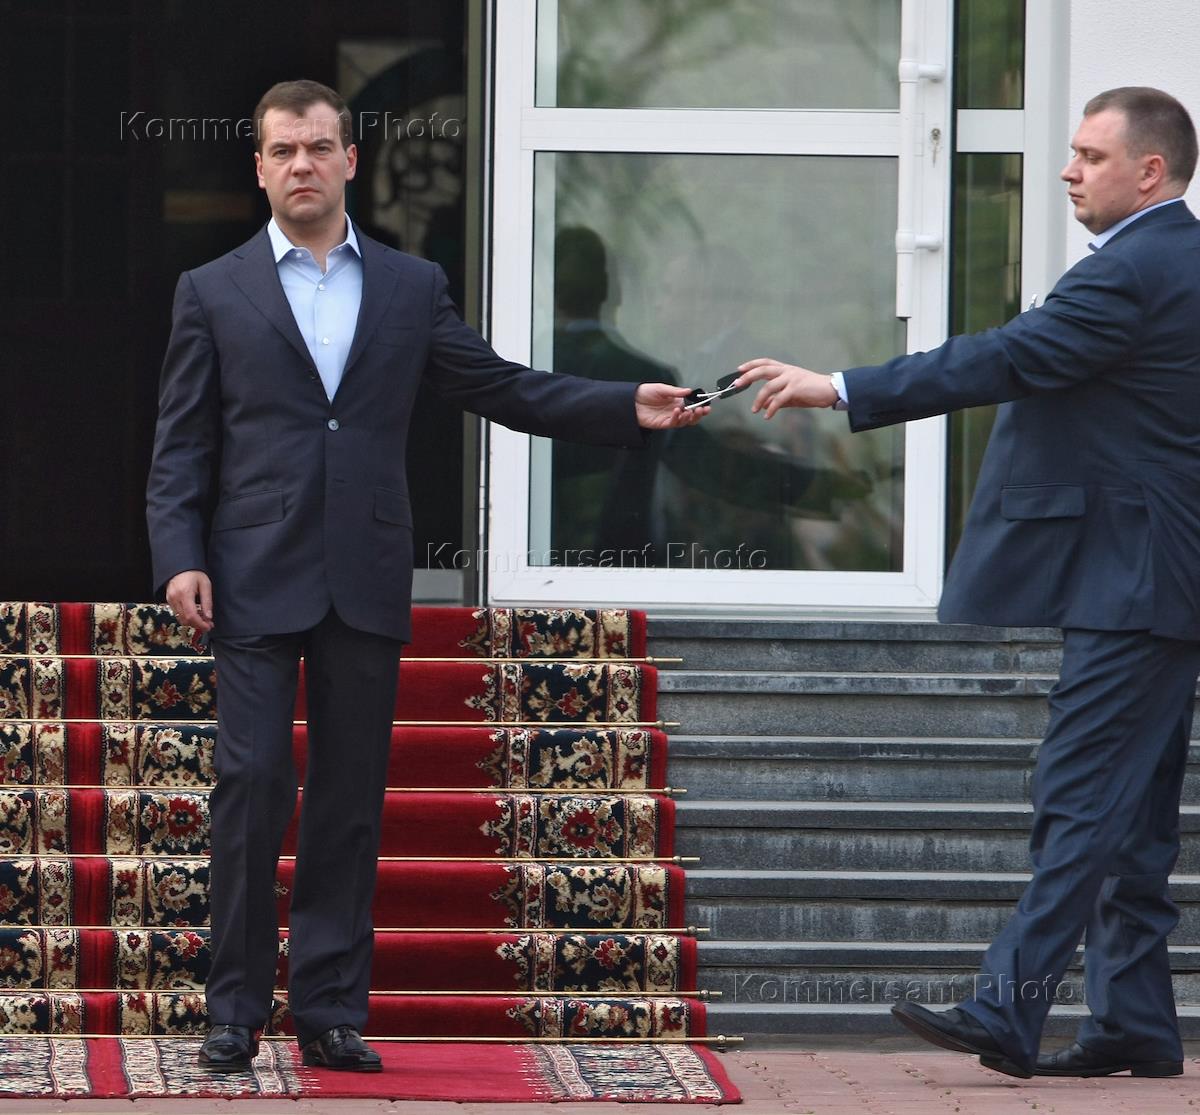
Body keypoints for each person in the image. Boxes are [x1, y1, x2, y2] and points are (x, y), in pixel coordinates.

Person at [145, 79, 703, 1074]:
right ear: (260, 167)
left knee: (350, 797)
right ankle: (233, 1005)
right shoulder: (211, 289)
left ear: (350, 160)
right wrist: (179, 554)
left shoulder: (410, 286)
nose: (303, 164)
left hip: (365, 567)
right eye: (284, 150)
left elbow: (500, 385)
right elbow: (181, 443)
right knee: (252, 780)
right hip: (252, 568)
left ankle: (328, 1009)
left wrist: (626, 406)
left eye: (320, 147)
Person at [734, 87, 1200, 1080]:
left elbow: (1007, 357)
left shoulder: (1136, 270)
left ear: (1150, 171)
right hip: (1156, 578)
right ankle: (1136, 1022)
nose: (1069, 170)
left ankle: (1006, 1006)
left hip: (1137, 583)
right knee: (1132, 818)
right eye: (1072, 151)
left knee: (1081, 797)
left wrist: (842, 386)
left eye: (1090, 155)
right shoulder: (1172, 261)